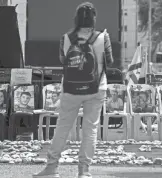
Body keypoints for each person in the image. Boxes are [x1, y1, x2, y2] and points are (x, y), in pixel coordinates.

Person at [33, 2, 113, 178]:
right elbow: (110, 61)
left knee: (62, 127)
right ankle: (84, 171)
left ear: (76, 18)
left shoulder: (66, 37)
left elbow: (63, 60)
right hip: (97, 88)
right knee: (90, 129)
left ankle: (51, 168)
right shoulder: (102, 37)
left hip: (70, 89)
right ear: (94, 18)